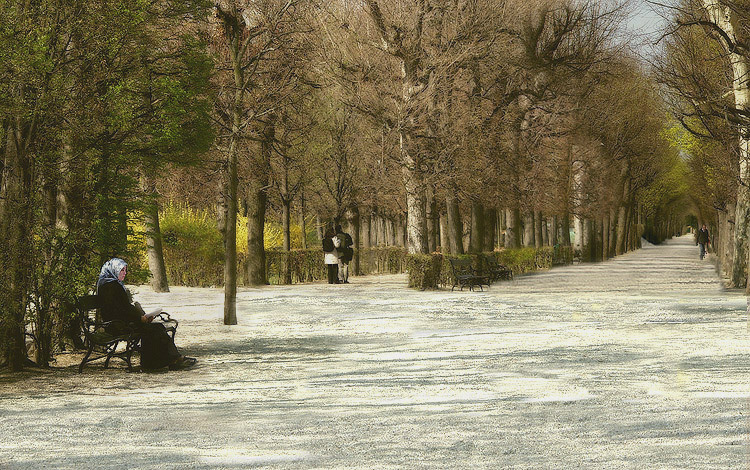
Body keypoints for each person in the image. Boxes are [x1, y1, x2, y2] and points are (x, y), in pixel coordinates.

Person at [96, 258, 196, 371]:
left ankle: (162, 361)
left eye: (125, 270)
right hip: (117, 325)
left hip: (124, 322)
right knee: (154, 329)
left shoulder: (113, 285)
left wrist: (142, 317)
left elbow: (125, 308)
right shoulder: (109, 287)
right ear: (113, 270)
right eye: (121, 270)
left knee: (156, 327)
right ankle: (163, 361)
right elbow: (117, 311)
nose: (124, 273)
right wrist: (139, 318)